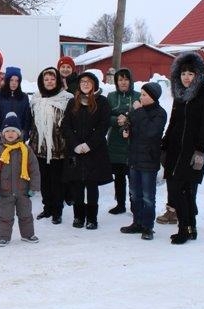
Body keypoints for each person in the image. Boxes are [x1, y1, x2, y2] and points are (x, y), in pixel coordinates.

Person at [160, 51, 204, 244]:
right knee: (177, 191)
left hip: (193, 153)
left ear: (198, 75)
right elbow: (173, 123)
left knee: (185, 191)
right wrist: (164, 144)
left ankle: (185, 229)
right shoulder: (179, 96)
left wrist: (201, 150)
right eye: (183, 73)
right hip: (175, 152)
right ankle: (189, 227)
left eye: (190, 74)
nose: (186, 77)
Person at [61, 71, 112, 230]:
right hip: (75, 151)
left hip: (94, 151)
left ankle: (92, 218)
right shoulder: (73, 102)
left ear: (94, 85)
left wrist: (89, 145)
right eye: (82, 81)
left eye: (88, 81)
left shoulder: (102, 102)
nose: (85, 84)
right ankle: (78, 217)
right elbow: (66, 126)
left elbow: (103, 126)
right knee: (77, 185)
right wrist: (75, 144)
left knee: (91, 185)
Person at [120, 82, 167, 241]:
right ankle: (137, 222)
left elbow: (150, 132)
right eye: (141, 94)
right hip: (134, 159)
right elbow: (128, 125)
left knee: (148, 196)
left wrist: (139, 111)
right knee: (134, 194)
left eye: (144, 95)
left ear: (153, 97)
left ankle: (148, 227)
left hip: (149, 160)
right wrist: (125, 129)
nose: (141, 97)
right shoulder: (137, 112)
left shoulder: (160, 113)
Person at [0, 112, 41, 247]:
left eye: (13, 131)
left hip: (23, 191)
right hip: (5, 192)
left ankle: (28, 235)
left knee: (26, 215)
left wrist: (34, 187)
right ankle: (3, 237)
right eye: (7, 131)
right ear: (3, 134)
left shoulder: (26, 150)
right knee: (5, 216)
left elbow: (34, 170)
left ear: (19, 133)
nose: (10, 133)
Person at [29, 67, 73, 224]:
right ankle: (47, 208)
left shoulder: (67, 98)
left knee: (57, 181)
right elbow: (32, 121)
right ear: (42, 81)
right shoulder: (36, 98)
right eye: (46, 79)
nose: (49, 82)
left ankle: (57, 211)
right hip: (39, 147)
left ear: (58, 81)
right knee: (44, 180)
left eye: (52, 79)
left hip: (58, 147)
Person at [105, 68, 141, 215]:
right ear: (116, 82)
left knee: (133, 176)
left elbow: (143, 116)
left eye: (126, 79)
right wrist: (116, 120)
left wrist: (128, 119)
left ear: (130, 81)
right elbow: (105, 117)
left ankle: (135, 204)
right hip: (115, 142)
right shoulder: (111, 96)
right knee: (119, 176)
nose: (123, 82)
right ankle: (120, 204)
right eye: (120, 79)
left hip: (132, 142)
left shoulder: (139, 96)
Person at [0, 66, 32, 143]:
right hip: (2, 138)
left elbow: (27, 118)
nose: (14, 83)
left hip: (19, 138)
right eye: (11, 80)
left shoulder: (24, 97)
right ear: (6, 80)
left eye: (17, 80)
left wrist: (24, 134)